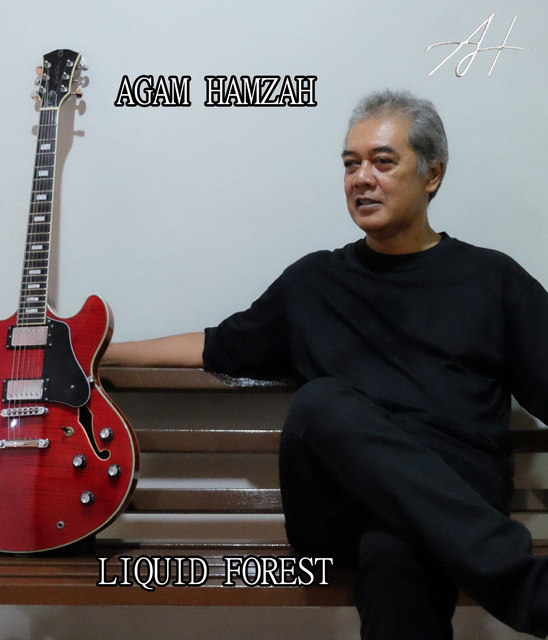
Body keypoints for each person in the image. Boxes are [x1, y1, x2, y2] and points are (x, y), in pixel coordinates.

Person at [103, 89, 548, 639]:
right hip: (337, 510)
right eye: (350, 164)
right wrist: (94, 349)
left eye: (382, 162)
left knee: (397, 557)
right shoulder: (314, 282)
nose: (362, 179)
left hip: (456, 496)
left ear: (432, 174)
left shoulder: (493, 280)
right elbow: (214, 345)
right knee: (321, 404)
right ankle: (528, 590)